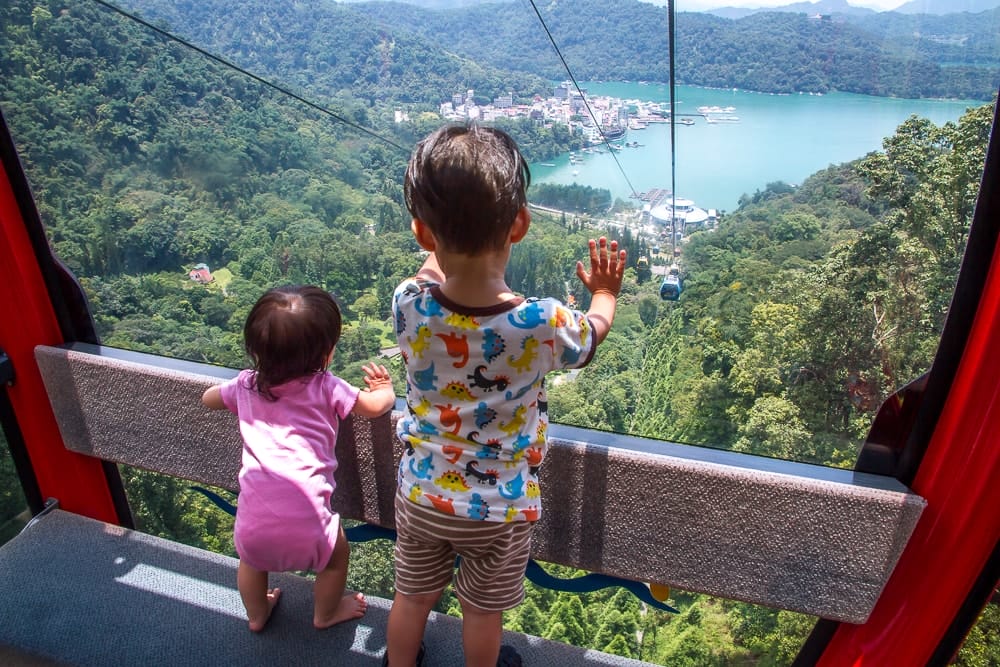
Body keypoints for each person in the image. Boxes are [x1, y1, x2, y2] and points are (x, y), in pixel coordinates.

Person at [385, 123, 626, 667]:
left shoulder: (409, 305)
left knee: (413, 595)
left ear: (424, 234)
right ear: (520, 223)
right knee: (481, 611)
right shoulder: (541, 321)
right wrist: (606, 292)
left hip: (421, 493)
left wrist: (440, 240)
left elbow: (429, 273)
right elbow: (591, 334)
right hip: (500, 504)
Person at [202, 285, 396, 633]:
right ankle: (326, 613)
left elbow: (208, 399)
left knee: (250, 563)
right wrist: (384, 390)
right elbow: (374, 408)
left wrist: (235, 388)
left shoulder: (246, 385)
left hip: (252, 521)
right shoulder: (326, 386)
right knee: (336, 560)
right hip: (310, 521)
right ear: (326, 353)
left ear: (256, 349)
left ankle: (257, 614)